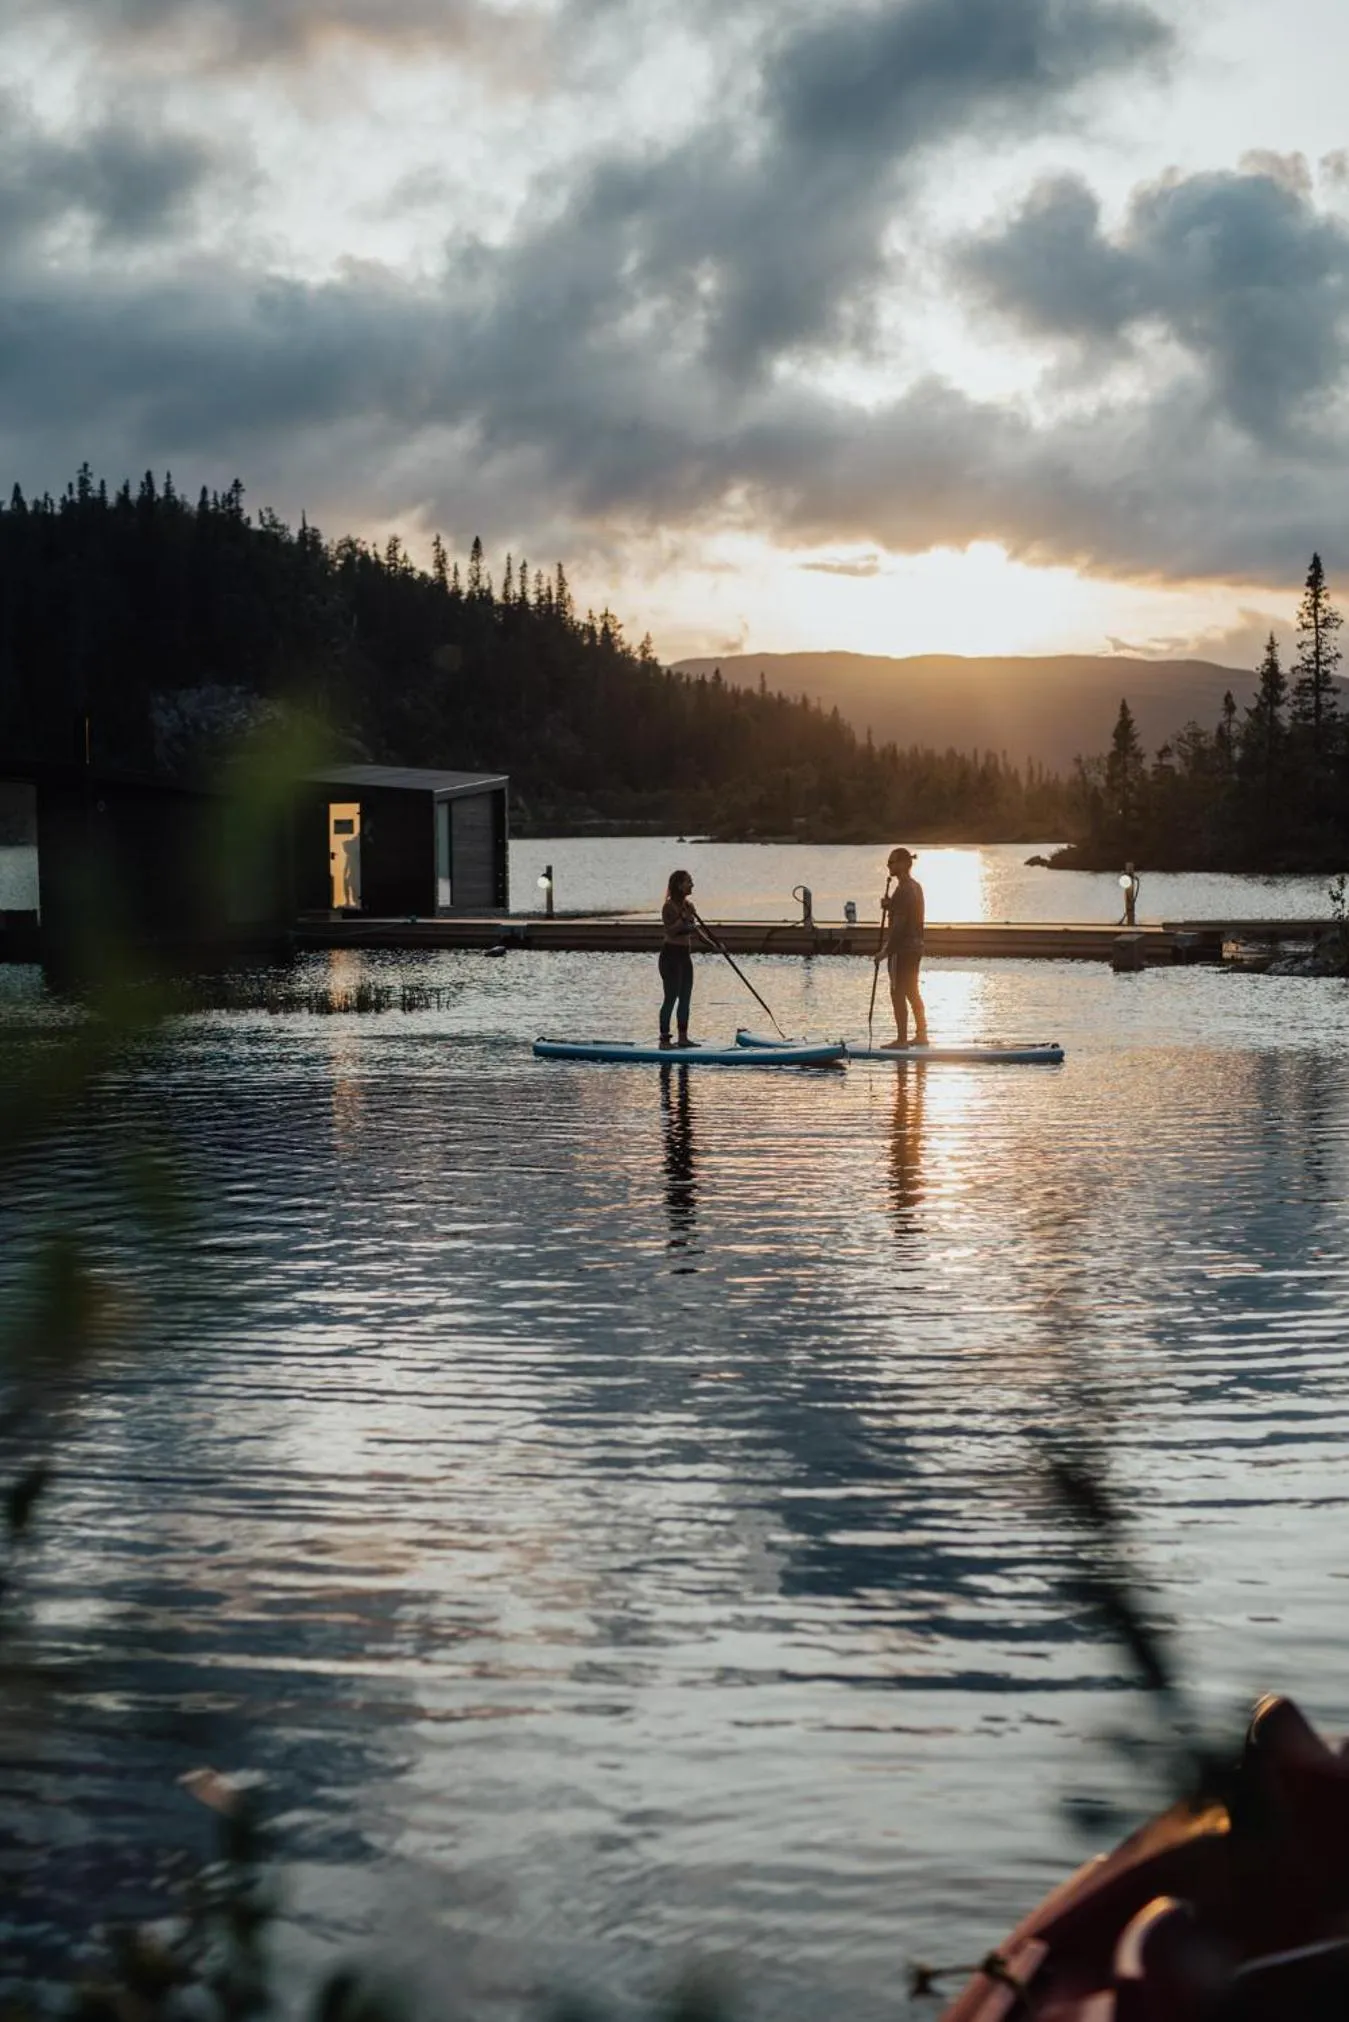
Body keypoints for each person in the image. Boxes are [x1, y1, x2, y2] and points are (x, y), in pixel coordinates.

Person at [880, 847, 928, 1047]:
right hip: (916, 947)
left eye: (891, 862)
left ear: (902, 864)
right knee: (912, 990)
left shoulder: (902, 890)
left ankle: (901, 1040)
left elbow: (899, 927)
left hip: (902, 950)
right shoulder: (915, 887)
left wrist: (885, 951)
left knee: (897, 992)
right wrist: (890, 906)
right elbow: (909, 914)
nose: (888, 866)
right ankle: (921, 1035)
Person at [659, 868, 701, 1047]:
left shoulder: (689, 906)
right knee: (671, 997)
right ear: (679, 885)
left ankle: (683, 1038)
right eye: (688, 881)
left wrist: (715, 945)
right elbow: (671, 931)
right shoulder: (668, 907)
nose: (692, 885)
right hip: (670, 956)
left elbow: (695, 931)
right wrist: (684, 918)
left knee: (685, 997)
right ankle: (664, 1040)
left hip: (685, 957)